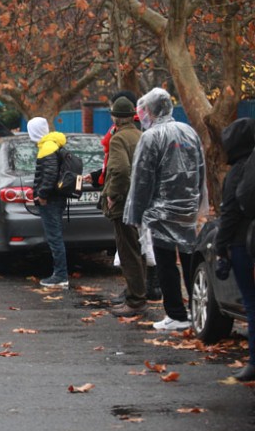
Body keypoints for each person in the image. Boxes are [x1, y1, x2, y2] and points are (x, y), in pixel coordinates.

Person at [124, 87, 206, 331]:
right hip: (187, 208)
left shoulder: (151, 137)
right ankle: (196, 310)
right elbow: (200, 169)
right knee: (190, 259)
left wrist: (135, 213)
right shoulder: (188, 131)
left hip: (161, 210)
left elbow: (142, 178)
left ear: (150, 110)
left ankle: (176, 314)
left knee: (166, 262)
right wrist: (199, 202)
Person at [98, 98, 148, 316]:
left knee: (128, 252)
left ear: (115, 117)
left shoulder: (118, 138)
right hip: (141, 200)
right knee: (139, 250)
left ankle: (135, 300)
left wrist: (112, 194)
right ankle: (138, 294)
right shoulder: (140, 135)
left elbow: (120, 170)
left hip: (124, 202)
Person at [215, 118, 255, 381]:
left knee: (251, 303)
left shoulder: (239, 171)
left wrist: (221, 248)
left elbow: (229, 213)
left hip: (244, 244)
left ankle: (254, 362)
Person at [26, 117, 70, 288]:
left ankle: (60, 275)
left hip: (50, 200)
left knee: (54, 237)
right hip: (57, 198)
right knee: (55, 235)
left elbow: (50, 174)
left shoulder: (47, 147)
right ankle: (60, 273)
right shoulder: (53, 143)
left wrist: (42, 195)